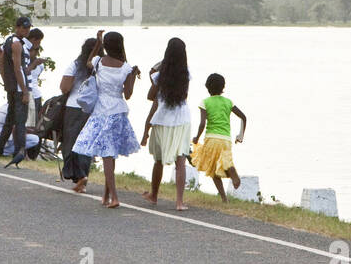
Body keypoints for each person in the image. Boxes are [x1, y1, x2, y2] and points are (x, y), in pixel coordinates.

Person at [72, 30, 141, 208]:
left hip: (101, 111)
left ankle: (114, 197)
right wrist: (133, 76)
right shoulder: (126, 68)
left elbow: (89, 61)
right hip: (117, 111)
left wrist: (97, 43)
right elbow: (128, 94)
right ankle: (106, 195)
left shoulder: (98, 62)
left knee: (107, 154)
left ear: (105, 46)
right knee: (109, 154)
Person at [140, 37, 192, 211]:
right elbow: (184, 97)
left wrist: (161, 68)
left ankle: (154, 195)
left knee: (159, 161)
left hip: (162, 119)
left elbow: (150, 96)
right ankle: (179, 202)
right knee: (181, 162)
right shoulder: (186, 74)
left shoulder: (159, 76)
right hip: (181, 119)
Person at [190, 73, 248, 202]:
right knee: (224, 163)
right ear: (223, 87)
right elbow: (243, 117)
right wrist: (240, 135)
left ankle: (224, 197)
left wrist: (196, 137)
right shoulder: (228, 102)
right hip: (226, 140)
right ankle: (231, 177)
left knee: (212, 170)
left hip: (212, 139)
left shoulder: (205, 102)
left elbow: (202, 123)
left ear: (207, 87)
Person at [58, 37, 99, 193]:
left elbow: (64, 87)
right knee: (86, 142)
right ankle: (83, 175)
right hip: (93, 109)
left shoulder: (75, 65)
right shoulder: (100, 66)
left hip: (74, 107)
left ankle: (75, 174)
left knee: (70, 142)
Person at [0, 16, 32, 167]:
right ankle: (19, 151)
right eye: (24, 27)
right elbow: (18, 68)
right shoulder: (16, 44)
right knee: (20, 121)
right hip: (18, 87)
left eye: (28, 28)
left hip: (11, 86)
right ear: (17, 27)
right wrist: (24, 90)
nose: (26, 30)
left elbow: (1, 63)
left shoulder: (8, 41)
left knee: (9, 120)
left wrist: (5, 81)